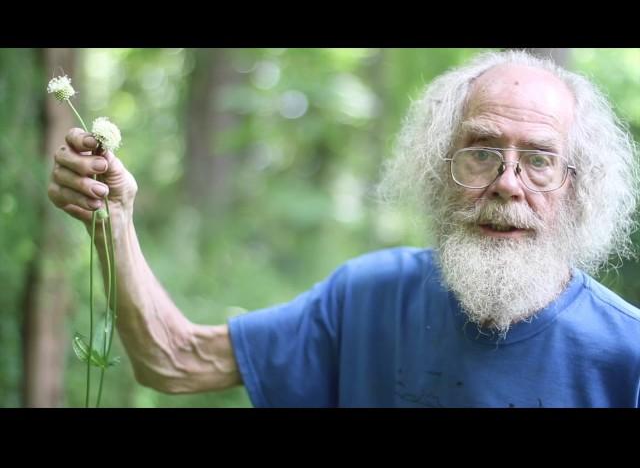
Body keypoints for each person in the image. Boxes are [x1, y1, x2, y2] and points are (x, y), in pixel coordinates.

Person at [47, 50, 640, 407]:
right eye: (481, 152)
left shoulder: (626, 354)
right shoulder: (368, 296)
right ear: (438, 169)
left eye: (539, 160)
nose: (508, 182)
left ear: (575, 186)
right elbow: (172, 360)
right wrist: (114, 223)